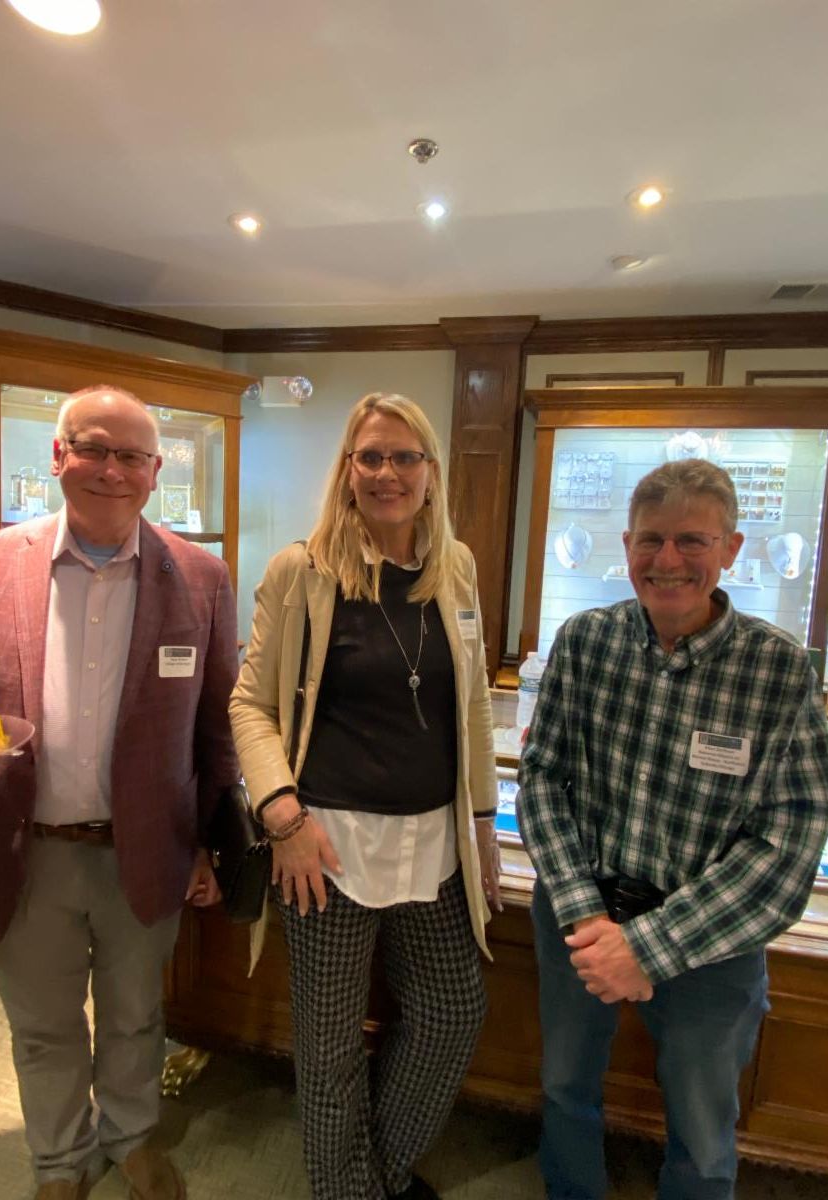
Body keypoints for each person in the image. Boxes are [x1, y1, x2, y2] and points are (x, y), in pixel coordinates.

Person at [0, 386, 238, 1200]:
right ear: (58, 456)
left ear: (156, 471)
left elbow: (217, 726)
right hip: (23, 847)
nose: (111, 469)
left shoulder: (201, 578)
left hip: (148, 849)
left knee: (137, 1017)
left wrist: (212, 841)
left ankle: (130, 1137)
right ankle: (58, 1161)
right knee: (43, 1025)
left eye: (131, 455)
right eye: (93, 449)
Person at [516, 458, 828, 1200]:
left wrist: (648, 947)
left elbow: (789, 843)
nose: (668, 560)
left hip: (711, 945)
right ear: (626, 545)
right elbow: (543, 779)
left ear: (732, 548)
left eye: (692, 540)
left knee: (703, 1127)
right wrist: (587, 915)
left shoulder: (780, 671)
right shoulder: (584, 642)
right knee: (564, 1087)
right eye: (651, 540)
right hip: (581, 923)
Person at [230, 392, 500, 1200]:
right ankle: (347, 1191)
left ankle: (372, 1177)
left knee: (453, 1012)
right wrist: (284, 817)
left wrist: (484, 825)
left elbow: (473, 704)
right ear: (347, 470)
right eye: (370, 456)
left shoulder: (456, 568)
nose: (388, 473)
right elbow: (251, 705)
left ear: (431, 472)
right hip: (324, 850)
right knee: (329, 1046)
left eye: (404, 457)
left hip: (435, 847)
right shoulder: (303, 571)